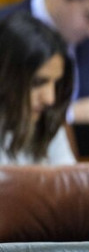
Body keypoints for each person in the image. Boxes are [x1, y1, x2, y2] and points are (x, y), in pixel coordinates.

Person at [0, 12, 76, 164]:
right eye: (38, 82)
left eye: (56, 83)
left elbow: (71, 183)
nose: (50, 99)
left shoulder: (47, 121)